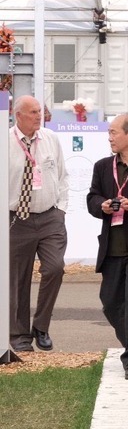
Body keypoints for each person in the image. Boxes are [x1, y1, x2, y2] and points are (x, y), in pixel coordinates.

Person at [86, 114, 128, 379]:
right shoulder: (103, 166)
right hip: (111, 248)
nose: (110, 137)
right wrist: (101, 205)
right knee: (110, 303)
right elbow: (91, 198)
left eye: (114, 132)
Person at [8, 95, 69, 353]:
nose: (38, 116)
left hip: (49, 217)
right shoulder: (5, 142)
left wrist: (61, 209)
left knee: (55, 268)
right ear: (17, 115)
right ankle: (20, 336)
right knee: (17, 280)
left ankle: (41, 326)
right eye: (32, 112)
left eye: (40, 112)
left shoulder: (50, 139)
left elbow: (63, 175)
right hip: (16, 220)